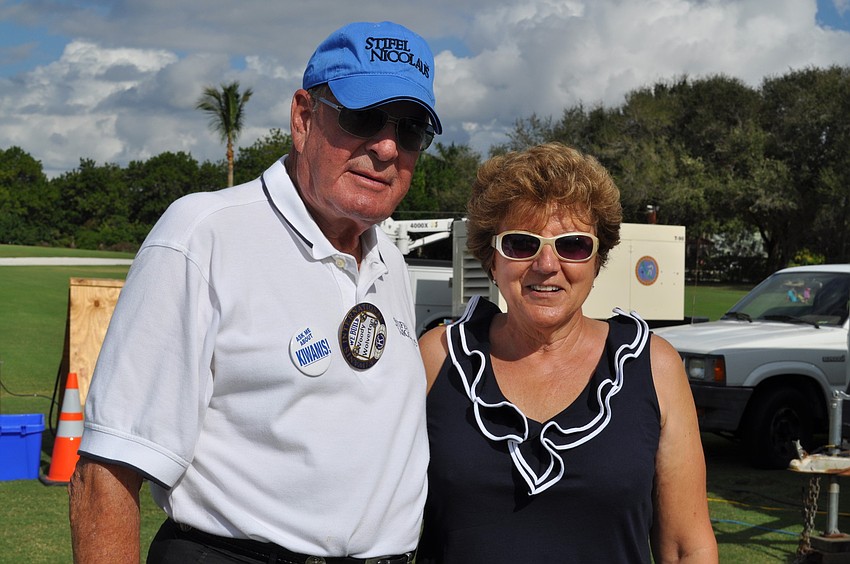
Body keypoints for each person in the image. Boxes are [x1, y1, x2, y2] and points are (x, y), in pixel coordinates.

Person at [69, 21, 442, 564]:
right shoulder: (204, 234)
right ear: (303, 116)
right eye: (363, 117)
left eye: (411, 130)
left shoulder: (388, 258)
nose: (387, 147)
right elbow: (107, 475)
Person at [417, 143, 718, 563]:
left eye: (573, 245)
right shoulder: (437, 358)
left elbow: (687, 548)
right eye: (521, 244)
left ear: (597, 259)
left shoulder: (654, 365)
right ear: (491, 259)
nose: (546, 264)